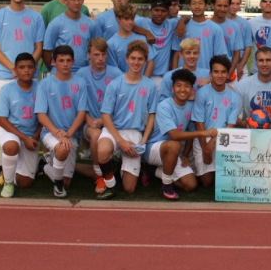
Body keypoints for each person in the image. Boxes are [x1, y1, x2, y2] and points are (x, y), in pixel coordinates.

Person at [0, 0, 45, 186]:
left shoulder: (35, 17)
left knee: (34, 118)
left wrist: (26, 69)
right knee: (0, 122)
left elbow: (39, 47)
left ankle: (30, 161)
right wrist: (12, 68)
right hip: (5, 75)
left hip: (29, 76)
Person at [96, 40, 158, 199]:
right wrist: (120, 142)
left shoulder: (150, 86)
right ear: (126, 59)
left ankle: (119, 165)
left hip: (134, 132)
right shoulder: (115, 84)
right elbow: (105, 115)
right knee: (102, 151)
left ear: (145, 61)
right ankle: (110, 184)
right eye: (133, 58)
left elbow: (152, 115)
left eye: (140, 59)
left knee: (129, 188)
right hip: (114, 130)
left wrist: (143, 140)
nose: (136, 62)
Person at [145, 69, 218, 200]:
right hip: (153, 149)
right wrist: (204, 132)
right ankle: (166, 186)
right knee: (174, 145)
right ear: (172, 88)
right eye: (179, 86)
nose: (183, 89)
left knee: (191, 185)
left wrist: (185, 155)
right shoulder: (164, 106)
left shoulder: (191, 106)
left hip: (174, 150)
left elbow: (189, 132)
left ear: (191, 89)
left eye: (187, 86)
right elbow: (174, 135)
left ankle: (151, 171)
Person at [35, 46, 88, 198]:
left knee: (67, 181)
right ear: (53, 62)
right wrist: (58, 133)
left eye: (68, 60)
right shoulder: (45, 84)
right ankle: (57, 185)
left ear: (73, 61)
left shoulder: (80, 83)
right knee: (62, 148)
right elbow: (41, 115)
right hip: (51, 133)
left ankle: (45, 167)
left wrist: (69, 133)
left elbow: (81, 113)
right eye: (61, 60)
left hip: (71, 133)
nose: (65, 64)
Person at [74, 37, 123, 194]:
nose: (100, 59)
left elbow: (121, 101)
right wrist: (89, 120)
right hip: (89, 123)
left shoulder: (116, 73)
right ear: (88, 55)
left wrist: (107, 119)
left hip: (112, 122)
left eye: (103, 54)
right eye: (96, 55)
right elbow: (79, 103)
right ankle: (100, 175)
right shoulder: (81, 74)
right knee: (95, 135)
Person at [0, 53, 41, 198]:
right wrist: (24, 138)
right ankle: (8, 182)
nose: (26, 70)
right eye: (22, 67)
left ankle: (38, 163)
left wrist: (34, 137)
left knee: (25, 183)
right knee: (11, 146)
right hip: (10, 132)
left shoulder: (41, 89)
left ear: (35, 69)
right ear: (15, 69)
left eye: (30, 67)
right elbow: (2, 120)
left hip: (31, 135)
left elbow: (45, 118)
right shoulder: (7, 89)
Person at [192, 55, 240, 187]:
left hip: (223, 137)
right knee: (207, 183)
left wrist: (213, 141)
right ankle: (196, 165)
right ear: (210, 73)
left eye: (223, 72)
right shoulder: (202, 93)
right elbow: (198, 124)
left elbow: (230, 125)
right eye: (216, 71)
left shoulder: (234, 97)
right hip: (203, 137)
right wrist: (205, 147)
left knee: (223, 182)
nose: (220, 75)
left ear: (228, 74)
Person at [43, 0, 95, 73]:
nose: (76, 2)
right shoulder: (56, 23)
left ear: (83, 0)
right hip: (61, 73)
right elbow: (46, 51)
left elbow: (95, 49)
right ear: (65, 0)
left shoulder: (90, 23)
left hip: (83, 72)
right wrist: (54, 69)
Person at [134, 0, 180, 88]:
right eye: (156, 10)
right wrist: (146, 32)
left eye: (163, 11)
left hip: (161, 76)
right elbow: (129, 25)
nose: (159, 13)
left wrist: (181, 23)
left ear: (168, 12)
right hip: (144, 75)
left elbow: (186, 18)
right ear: (151, 10)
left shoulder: (170, 24)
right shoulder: (142, 22)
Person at [179, 0, 227, 70]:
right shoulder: (182, 27)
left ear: (206, 6)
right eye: (194, 3)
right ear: (190, 6)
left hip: (206, 75)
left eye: (200, 3)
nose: (197, 6)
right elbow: (176, 52)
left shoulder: (215, 28)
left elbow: (219, 56)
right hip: (184, 75)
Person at [235, 47, 271, 126]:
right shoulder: (242, 85)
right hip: (252, 132)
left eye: (268, 60)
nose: (264, 64)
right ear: (256, 63)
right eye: (261, 60)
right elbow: (232, 116)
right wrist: (245, 124)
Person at [106, 3, 156, 76]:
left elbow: (150, 62)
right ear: (118, 19)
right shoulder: (111, 43)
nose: (130, 22)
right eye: (126, 19)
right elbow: (113, 69)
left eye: (132, 19)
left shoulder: (143, 39)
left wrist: (144, 81)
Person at [210, 0, 243, 85]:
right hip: (209, 73)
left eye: (225, 6)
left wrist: (230, 72)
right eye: (219, 5)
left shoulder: (235, 26)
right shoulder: (207, 26)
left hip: (228, 74)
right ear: (212, 5)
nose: (222, 9)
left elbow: (237, 52)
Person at [248, 0, 271, 75]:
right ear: (260, 4)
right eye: (265, 1)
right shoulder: (252, 23)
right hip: (256, 71)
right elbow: (246, 47)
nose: (268, 3)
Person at [227, 0, 254, 81]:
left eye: (237, 4)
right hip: (223, 65)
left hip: (240, 65)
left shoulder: (245, 23)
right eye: (232, 3)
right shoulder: (219, 23)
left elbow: (248, 48)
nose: (235, 6)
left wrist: (240, 67)